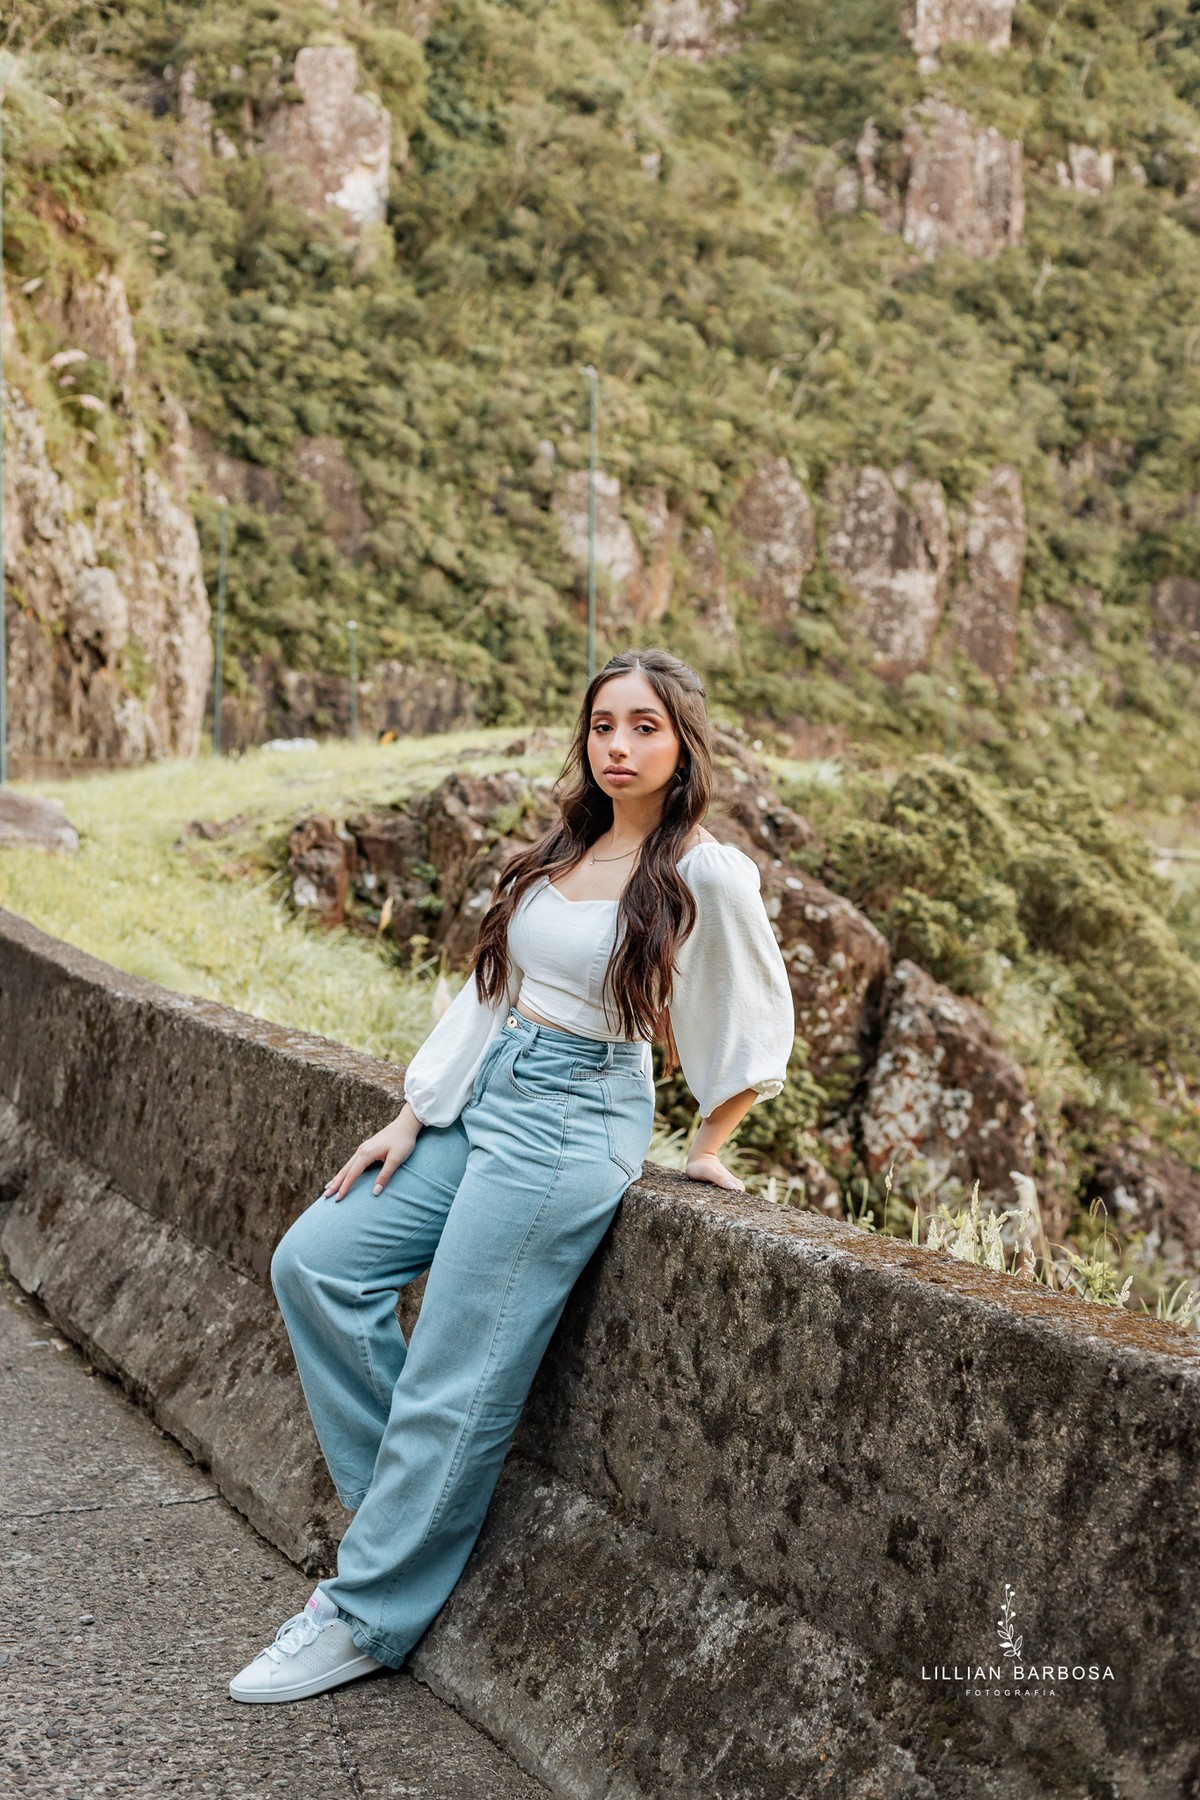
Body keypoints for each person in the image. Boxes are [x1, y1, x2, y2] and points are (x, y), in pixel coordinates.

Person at [228, 648, 795, 1703]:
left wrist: (710, 1141)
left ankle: (366, 1612)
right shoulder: (567, 845)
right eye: (603, 727)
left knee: (453, 1363)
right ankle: (410, 1504)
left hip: (577, 1117)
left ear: (683, 744)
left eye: (644, 727)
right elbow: (491, 988)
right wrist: (412, 1112)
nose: (619, 747)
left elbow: (759, 1018)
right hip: (488, 1090)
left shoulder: (701, 869)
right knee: (316, 1263)